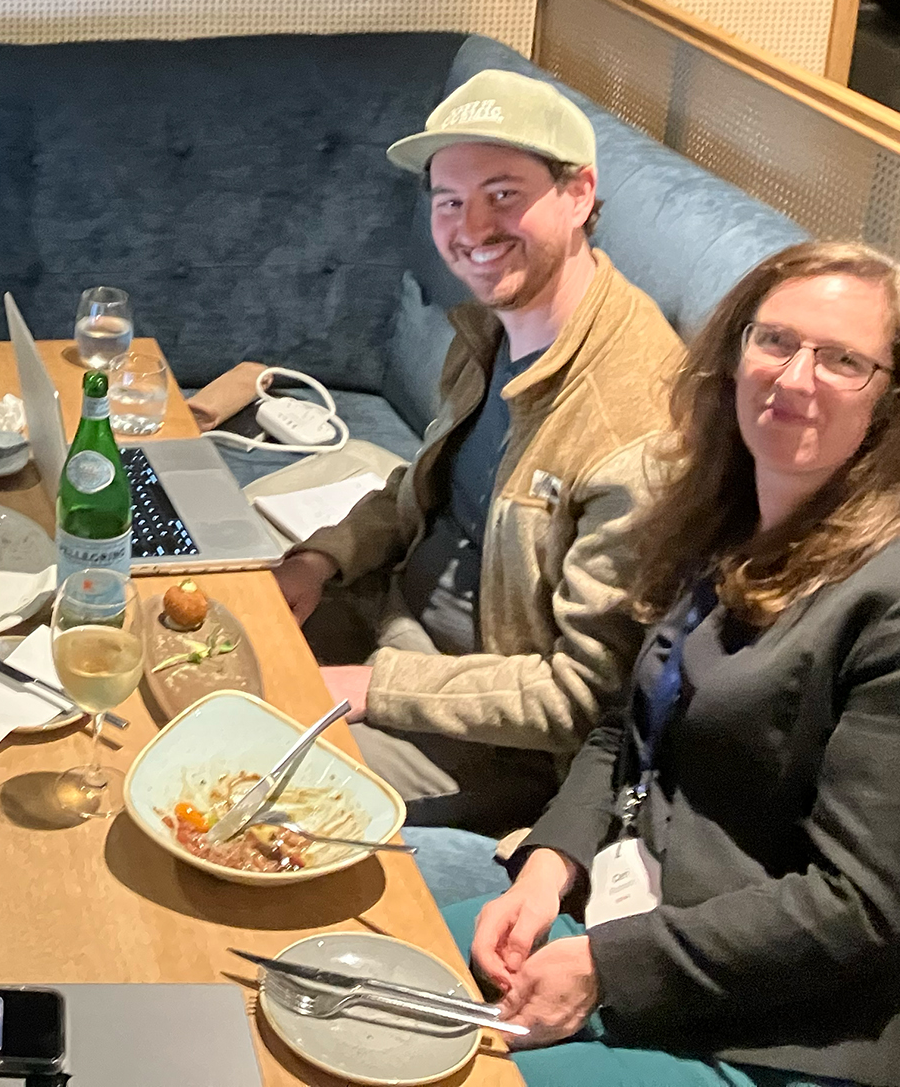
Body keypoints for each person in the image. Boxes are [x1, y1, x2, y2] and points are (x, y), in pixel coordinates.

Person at [438, 240, 900, 1087]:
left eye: (843, 360)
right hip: (626, 927)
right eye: (775, 340)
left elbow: (862, 909)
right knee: (365, 975)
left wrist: (608, 964)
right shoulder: (724, 524)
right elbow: (625, 728)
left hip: (779, 1032)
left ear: (891, 404)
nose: (794, 376)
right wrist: (548, 865)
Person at [273, 69, 683, 832]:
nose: (473, 228)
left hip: (487, 742)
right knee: (176, 644)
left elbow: (581, 697)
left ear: (581, 192)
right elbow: (426, 487)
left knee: (232, 775)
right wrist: (320, 559)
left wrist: (370, 687)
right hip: (388, 628)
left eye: (505, 194)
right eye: (450, 201)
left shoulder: (636, 428)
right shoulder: (496, 325)